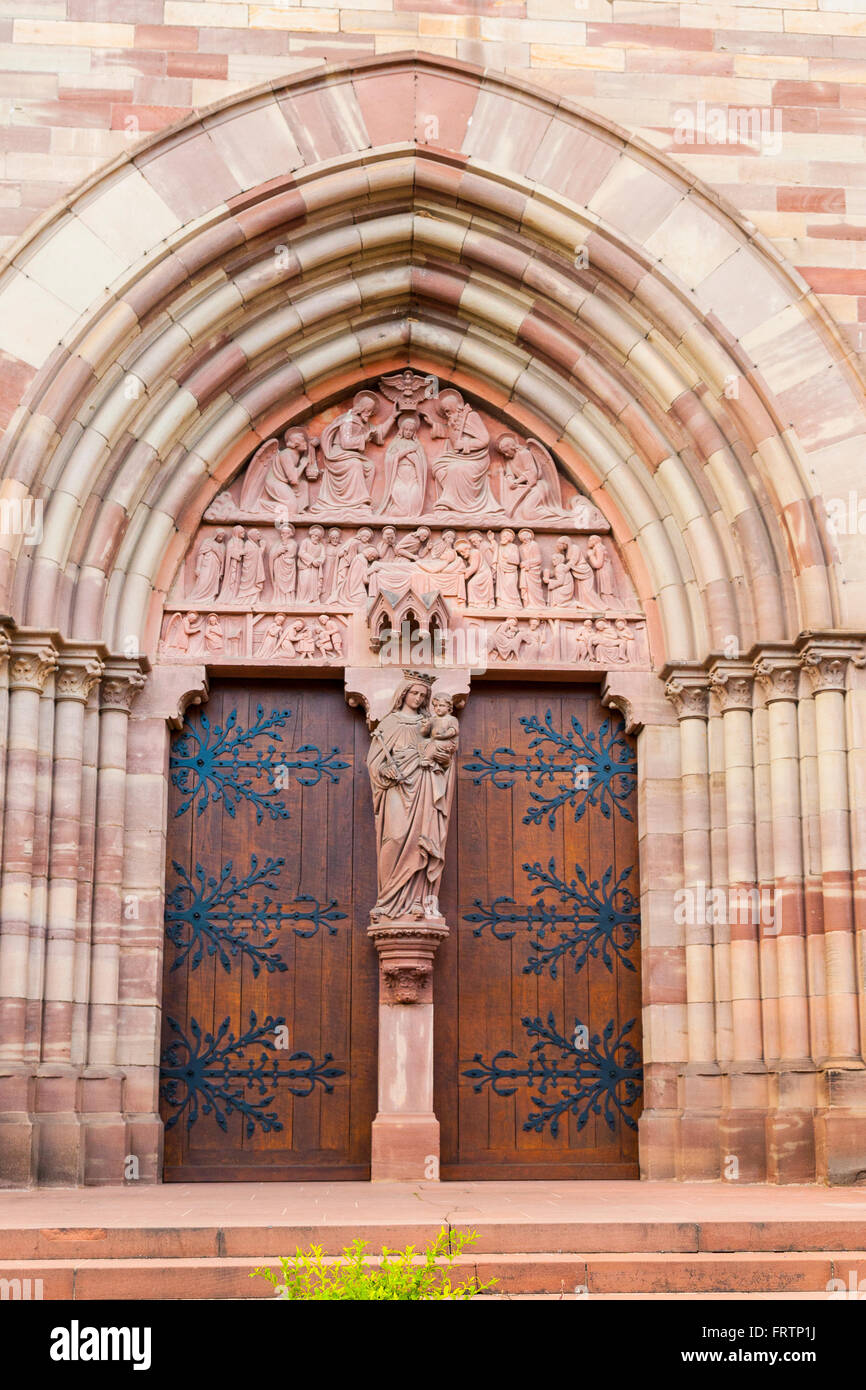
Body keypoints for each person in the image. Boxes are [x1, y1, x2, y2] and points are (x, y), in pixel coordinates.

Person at [366, 676, 457, 921]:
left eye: (422, 695)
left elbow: (446, 759)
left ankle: (416, 901)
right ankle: (386, 899)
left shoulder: (429, 723)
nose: (418, 698)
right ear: (403, 693)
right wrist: (386, 770)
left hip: (424, 785)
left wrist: (438, 754)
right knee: (394, 837)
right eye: (414, 693)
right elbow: (374, 762)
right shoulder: (390, 723)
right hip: (397, 787)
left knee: (421, 841)